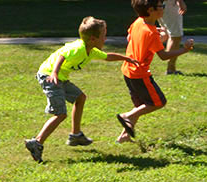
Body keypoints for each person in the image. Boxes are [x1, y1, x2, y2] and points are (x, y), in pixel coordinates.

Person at [25, 16, 138, 163]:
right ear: (92, 39)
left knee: (80, 98)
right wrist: (54, 72)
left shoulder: (90, 50)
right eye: (103, 36)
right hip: (50, 76)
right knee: (60, 114)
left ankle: (75, 135)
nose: (105, 39)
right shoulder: (78, 48)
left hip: (61, 77)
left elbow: (107, 56)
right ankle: (37, 142)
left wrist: (125, 58)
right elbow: (62, 55)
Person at [116, 0, 194, 143]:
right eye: (161, 6)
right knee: (158, 102)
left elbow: (130, 37)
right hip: (140, 74)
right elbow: (163, 56)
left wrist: (156, 36)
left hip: (127, 70)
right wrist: (184, 50)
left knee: (140, 105)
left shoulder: (138, 22)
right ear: (151, 10)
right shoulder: (151, 32)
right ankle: (127, 116)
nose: (163, 9)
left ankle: (124, 136)